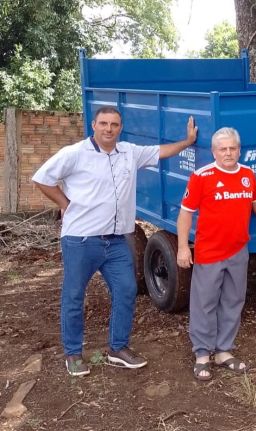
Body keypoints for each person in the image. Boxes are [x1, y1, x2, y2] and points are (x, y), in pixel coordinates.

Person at [32, 106, 198, 376]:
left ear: (120, 128)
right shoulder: (75, 153)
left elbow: (161, 151)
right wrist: (65, 203)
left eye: (114, 124)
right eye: (104, 123)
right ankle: (73, 354)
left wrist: (188, 142)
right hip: (81, 239)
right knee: (74, 296)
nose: (109, 129)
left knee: (126, 290)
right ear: (94, 125)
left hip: (117, 242)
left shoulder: (129, 153)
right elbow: (41, 178)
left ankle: (117, 348)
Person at [176, 127, 256, 381]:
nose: (228, 153)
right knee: (204, 303)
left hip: (238, 250)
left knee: (233, 300)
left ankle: (224, 350)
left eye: (232, 148)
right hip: (209, 251)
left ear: (239, 150)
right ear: (214, 151)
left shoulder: (248, 175)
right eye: (222, 149)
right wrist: (183, 247)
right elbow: (185, 212)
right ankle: (202, 354)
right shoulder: (201, 176)